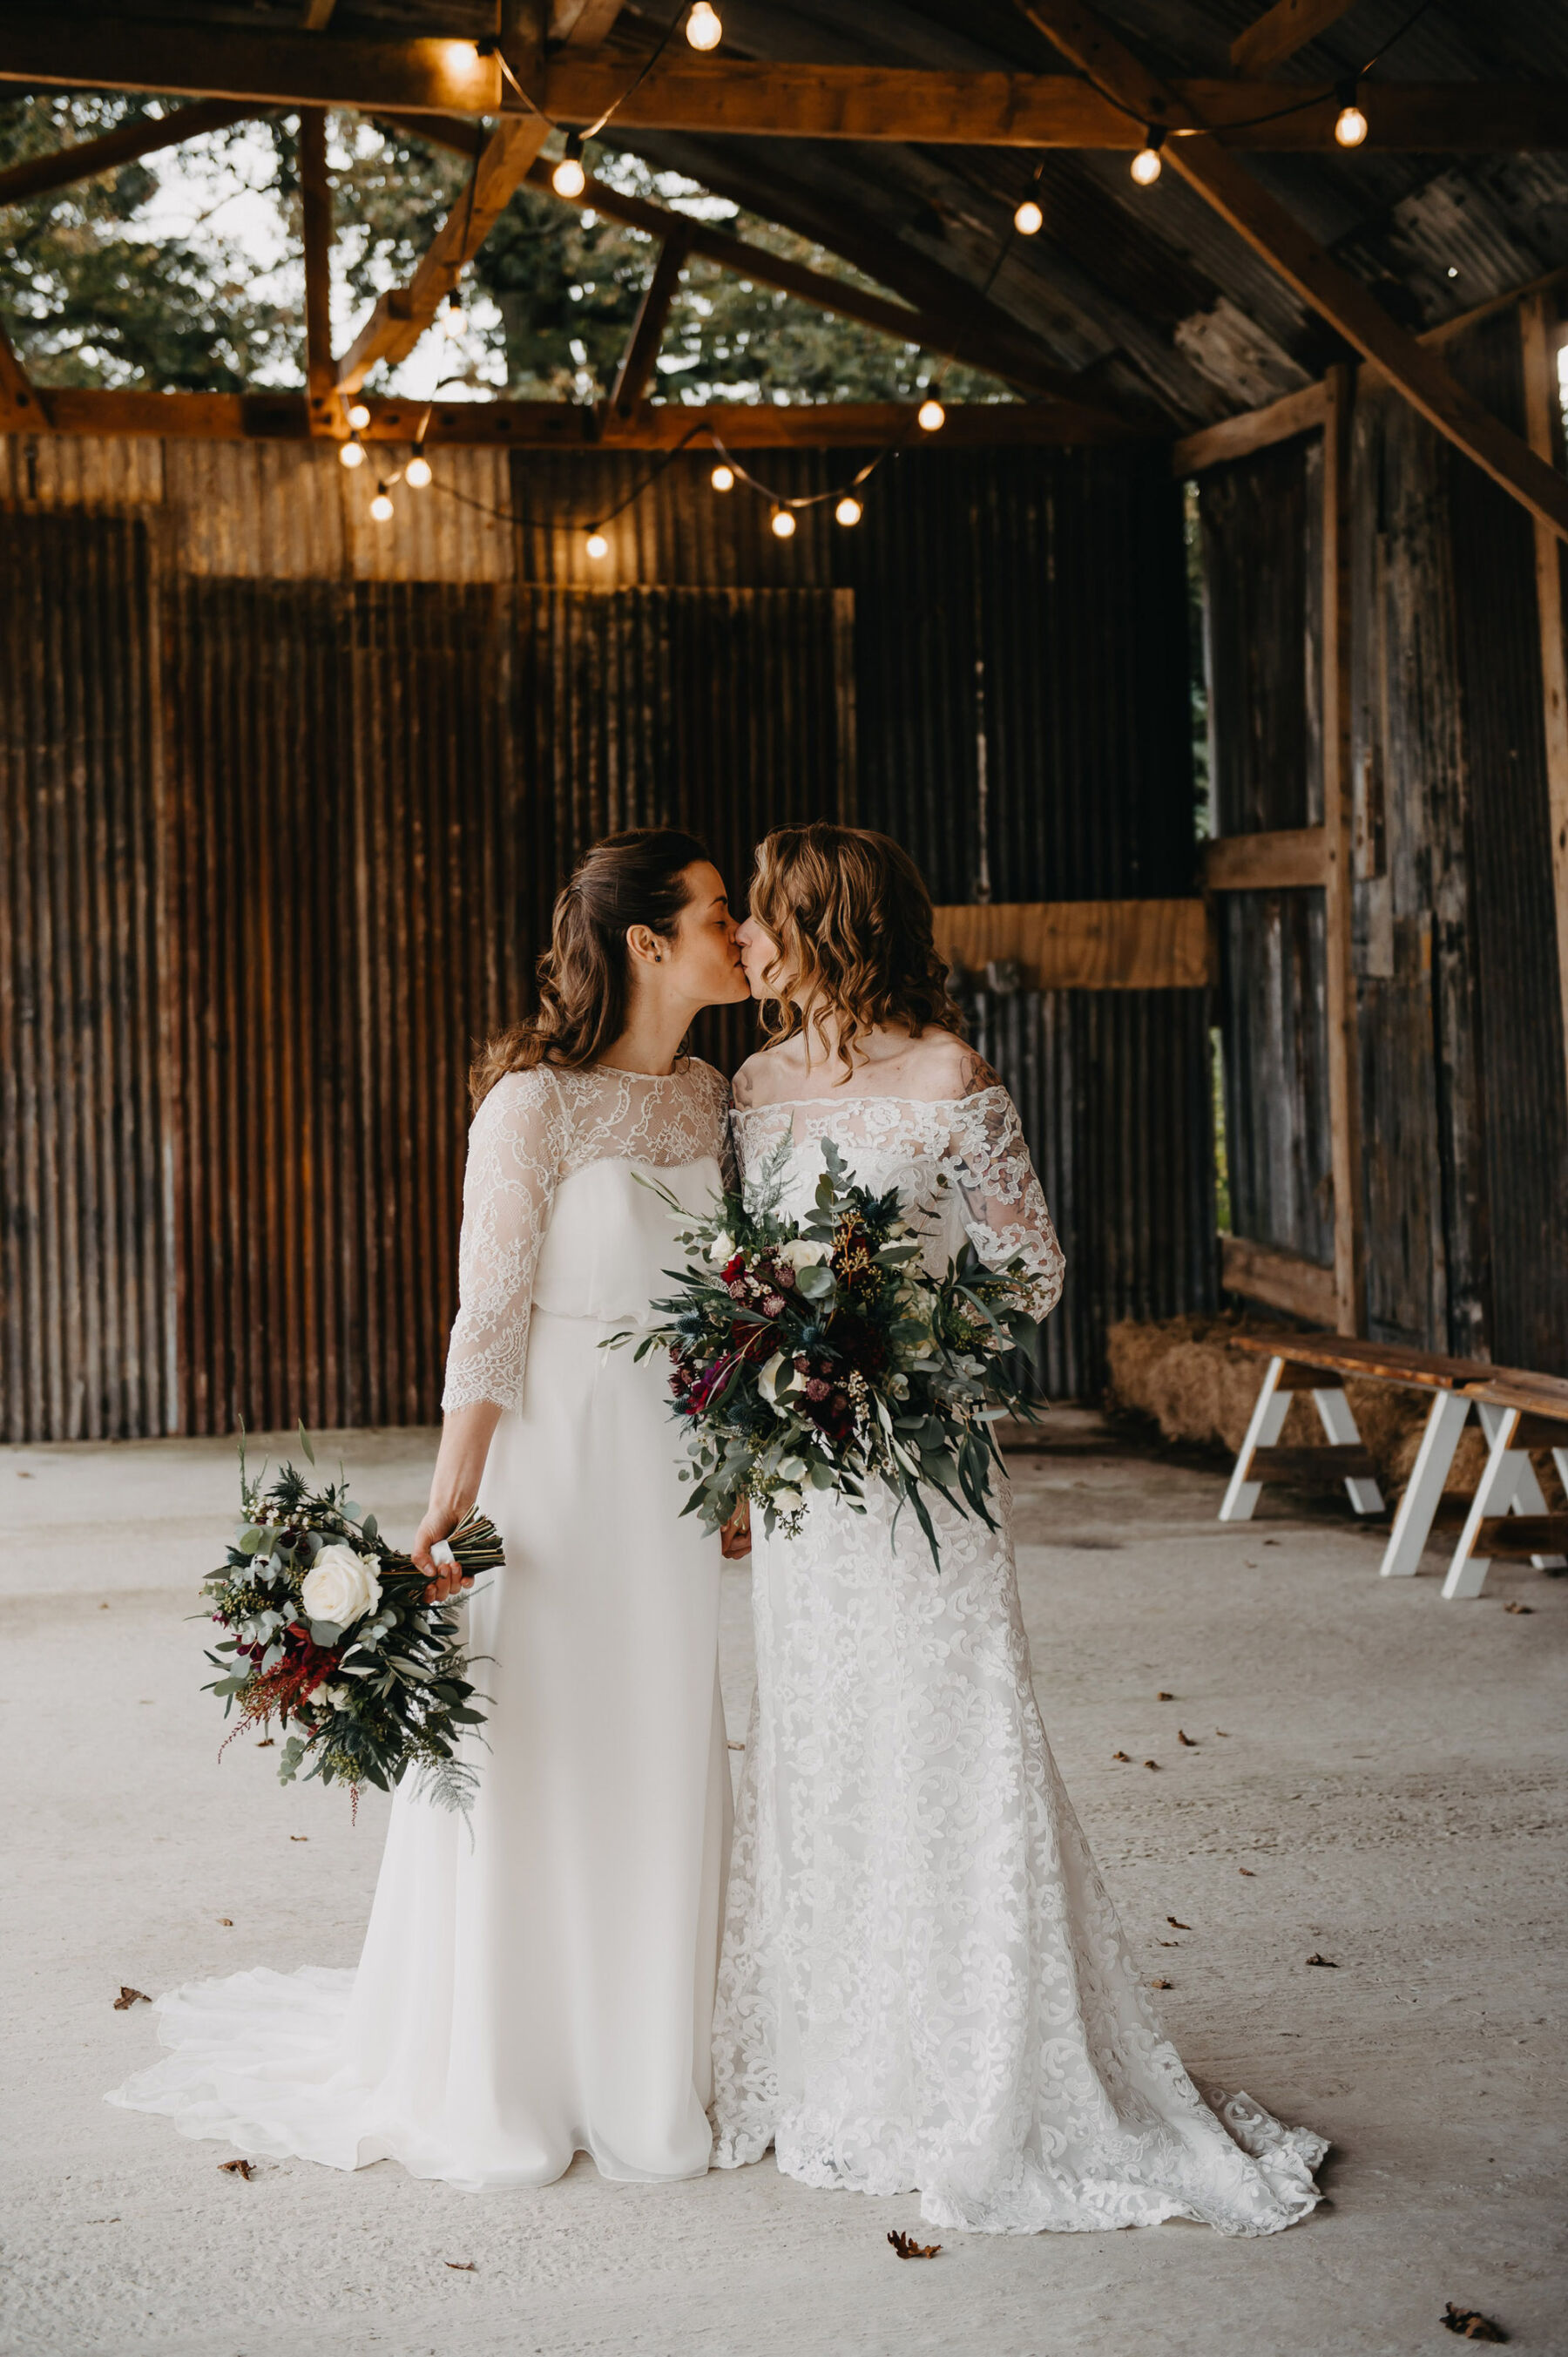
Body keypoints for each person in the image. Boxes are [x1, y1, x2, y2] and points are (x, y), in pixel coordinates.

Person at [110, 829, 752, 2191]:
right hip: (552, 1478)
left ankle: (648, 2061)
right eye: (715, 912)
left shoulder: (710, 1098)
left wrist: (741, 1463)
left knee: (657, 1740)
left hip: (672, 1485)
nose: (741, 930)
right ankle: (514, 2063)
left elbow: (734, 1309)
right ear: (648, 943)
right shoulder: (533, 1105)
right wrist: (449, 1507)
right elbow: (488, 1316)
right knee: (541, 1742)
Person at [710, 820, 1326, 2237]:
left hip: (923, 1478)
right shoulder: (751, 1082)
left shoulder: (949, 1078)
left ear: (829, 926)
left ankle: (982, 2064)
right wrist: (760, 1425)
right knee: (826, 1749)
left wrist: (899, 1357)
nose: (745, 936)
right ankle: (847, 2063)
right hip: (810, 1493)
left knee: (947, 1740)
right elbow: (741, 1278)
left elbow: (1028, 1271)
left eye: (763, 913)